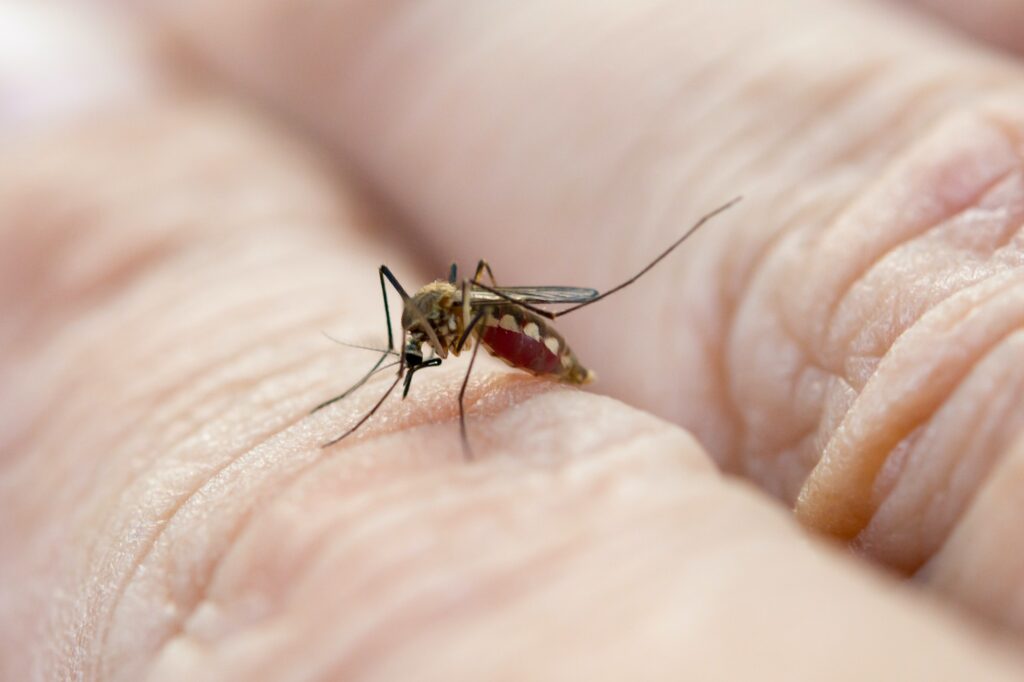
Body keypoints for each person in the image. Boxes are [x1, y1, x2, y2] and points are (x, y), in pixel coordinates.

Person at [3, 0, 1024, 678]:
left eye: (409, 355)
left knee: (488, 309)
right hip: (463, 317)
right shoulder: (416, 324)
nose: (407, 360)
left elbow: (465, 312)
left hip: (503, 321)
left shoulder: (457, 328)